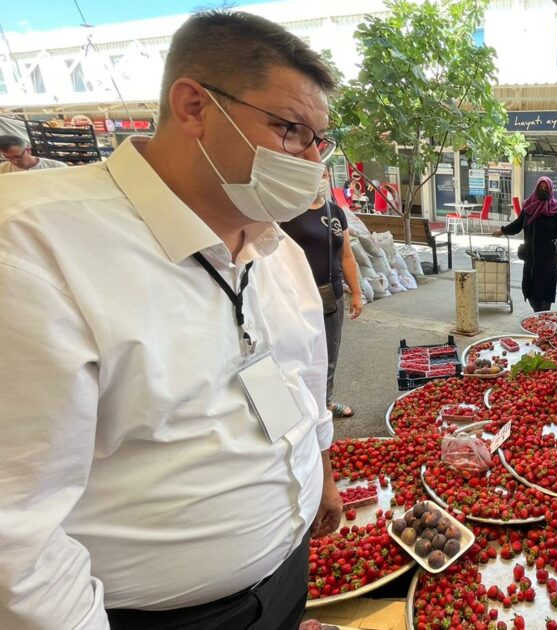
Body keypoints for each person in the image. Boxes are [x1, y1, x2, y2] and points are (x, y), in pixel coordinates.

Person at [0, 11, 342, 630]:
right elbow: (14, 536)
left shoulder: (277, 252)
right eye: (291, 129)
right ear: (194, 107)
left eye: (320, 140)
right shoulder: (29, 246)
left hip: (289, 577)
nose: (311, 159)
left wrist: (321, 475)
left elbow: (302, 381)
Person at [281, 170, 363, 419]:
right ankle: (299, 406)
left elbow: (346, 255)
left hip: (330, 295)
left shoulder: (335, 212)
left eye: (325, 173)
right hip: (296, 297)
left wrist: (356, 293)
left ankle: (324, 402)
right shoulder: (288, 213)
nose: (322, 177)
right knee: (297, 353)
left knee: (328, 352)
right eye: (315, 172)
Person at [493, 176, 557, 312]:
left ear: (551, 189)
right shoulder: (528, 206)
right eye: (541, 187)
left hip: (550, 258)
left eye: (546, 188)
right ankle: (539, 314)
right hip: (530, 257)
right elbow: (518, 224)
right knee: (529, 290)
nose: (543, 190)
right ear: (536, 188)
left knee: (545, 291)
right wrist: (502, 230)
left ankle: (541, 318)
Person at [0, 134, 67, 173]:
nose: (13, 161)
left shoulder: (57, 167)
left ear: (28, 150)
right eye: (7, 157)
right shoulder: (2, 170)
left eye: (17, 157)